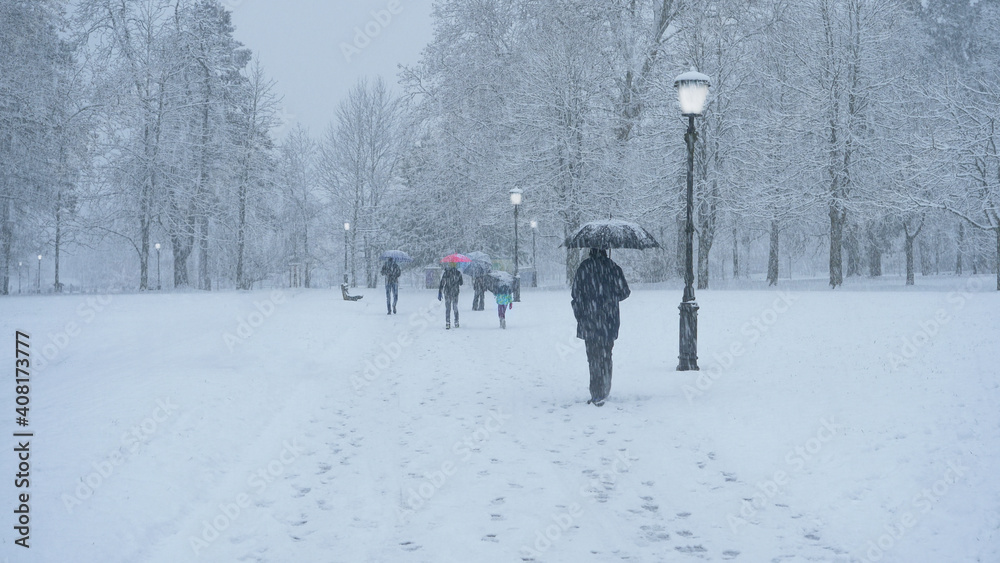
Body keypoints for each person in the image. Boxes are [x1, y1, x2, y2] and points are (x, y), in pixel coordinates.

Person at [571, 248, 630, 406]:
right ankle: (604, 388)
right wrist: (610, 297)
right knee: (606, 355)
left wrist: (582, 314)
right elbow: (625, 292)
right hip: (608, 321)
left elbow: (575, 294)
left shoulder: (584, 268)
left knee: (593, 357)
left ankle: (596, 391)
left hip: (589, 321)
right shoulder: (613, 267)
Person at [438, 263, 463, 329]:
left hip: (447, 292)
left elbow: (442, 283)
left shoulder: (446, 273)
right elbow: (461, 283)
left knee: (448, 308)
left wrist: (440, 292)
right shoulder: (458, 273)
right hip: (455, 292)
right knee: (455, 307)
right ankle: (456, 322)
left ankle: (448, 323)